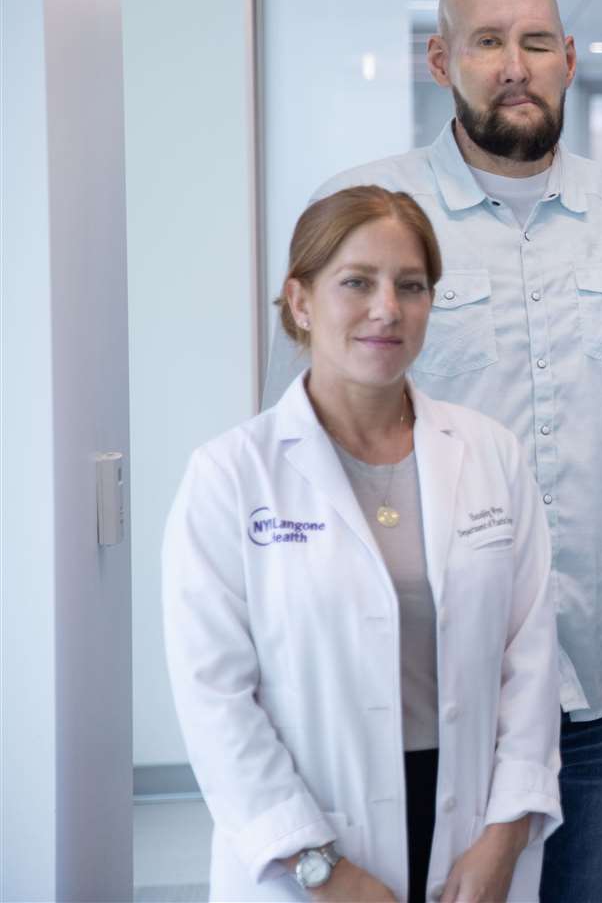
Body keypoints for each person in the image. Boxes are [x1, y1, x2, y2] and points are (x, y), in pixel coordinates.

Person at [261, 0, 602, 903]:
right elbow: (295, 451)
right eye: (488, 41)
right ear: (441, 59)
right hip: (423, 682)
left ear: (570, 60)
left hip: (596, 671)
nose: (516, 65)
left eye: (537, 42)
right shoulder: (365, 214)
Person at [165, 186, 566, 901]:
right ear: (301, 301)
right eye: (357, 282)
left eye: (410, 286)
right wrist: (317, 866)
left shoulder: (491, 456)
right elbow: (216, 700)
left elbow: (530, 665)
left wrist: (505, 837)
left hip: (468, 832)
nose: (387, 309)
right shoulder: (231, 475)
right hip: (307, 848)